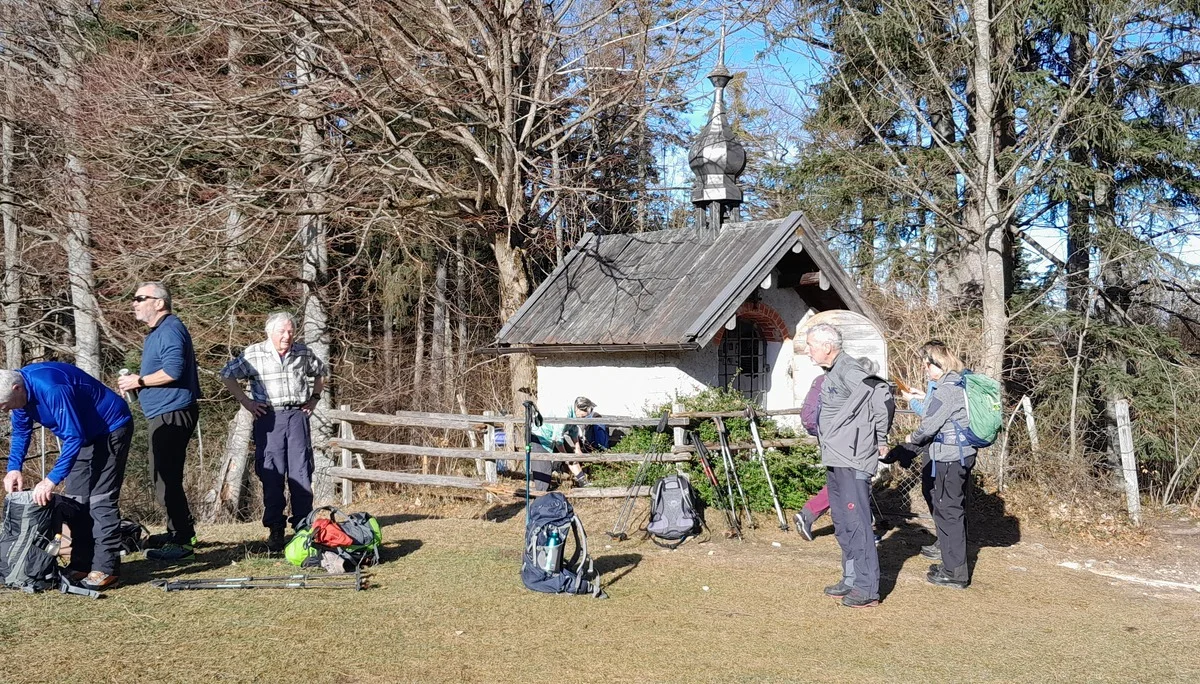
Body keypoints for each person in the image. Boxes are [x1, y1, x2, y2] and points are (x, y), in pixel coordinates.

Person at [1, 363, 132, 589]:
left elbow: (74, 436)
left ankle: (106, 568)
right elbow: (21, 431)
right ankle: (82, 563)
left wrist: (51, 480)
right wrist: (14, 468)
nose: (3, 410)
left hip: (110, 428)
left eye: (3, 405)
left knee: (100, 499)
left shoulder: (51, 388)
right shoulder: (19, 397)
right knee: (76, 499)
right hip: (81, 436)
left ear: (16, 388)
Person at [220, 312, 328, 552]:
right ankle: (275, 529)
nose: (287, 336)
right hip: (268, 418)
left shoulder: (302, 352)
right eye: (282, 331)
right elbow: (226, 374)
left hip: (297, 417)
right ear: (269, 332)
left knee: (302, 472)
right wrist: (246, 402)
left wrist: (314, 399)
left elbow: (321, 372)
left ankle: (303, 529)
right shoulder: (254, 353)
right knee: (271, 474)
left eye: (290, 331)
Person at [804, 323, 892, 608]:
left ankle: (867, 589)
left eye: (811, 345)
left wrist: (880, 438)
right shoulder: (832, 372)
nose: (808, 351)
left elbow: (882, 393)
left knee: (858, 523)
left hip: (853, 460)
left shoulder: (848, 369)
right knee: (842, 523)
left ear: (827, 347)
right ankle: (851, 578)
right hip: (835, 458)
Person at [117, 281, 202, 563]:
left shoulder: (170, 329)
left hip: (173, 412)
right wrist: (137, 384)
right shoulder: (157, 333)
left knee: (166, 477)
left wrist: (139, 381)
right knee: (162, 476)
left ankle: (182, 541)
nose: (134, 303)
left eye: (140, 298)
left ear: (159, 303)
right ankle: (180, 532)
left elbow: (173, 371)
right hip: (163, 411)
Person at [906, 340, 975, 589]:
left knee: (949, 512)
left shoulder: (946, 389)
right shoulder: (959, 382)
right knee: (950, 510)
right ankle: (950, 565)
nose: (925, 369)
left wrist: (911, 439)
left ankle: (955, 573)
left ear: (936, 363)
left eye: (926, 365)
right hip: (961, 454)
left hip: (950, 457)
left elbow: (929, 425)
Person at [529, 396, 602, 490]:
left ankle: (582, 481)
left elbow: (573, 431)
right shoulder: (565, 413)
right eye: (584, 415)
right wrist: (565, 456)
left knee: (572, 456)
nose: (584, 417)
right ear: (578, 409)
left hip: (553, 438)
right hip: (540, 437)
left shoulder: (574, 414)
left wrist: (577, 448)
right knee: (543, 469)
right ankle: (540, 493)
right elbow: (557, 439)